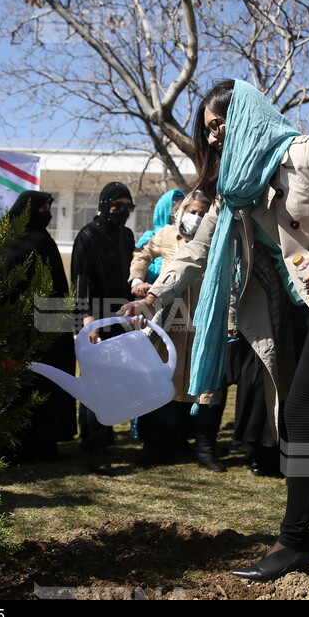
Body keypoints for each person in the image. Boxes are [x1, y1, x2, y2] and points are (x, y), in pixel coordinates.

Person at [122, 79, 309, 581]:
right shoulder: (234, 190)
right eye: (208, 130)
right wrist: (154, 295)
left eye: (221, 125)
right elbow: (195, 252)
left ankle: (292, 540)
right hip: (287, 312)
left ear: (246, 118)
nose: (214, 137)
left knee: (302, 408)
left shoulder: (302, 154)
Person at [129, 190, 225, 471]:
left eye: (202, 213)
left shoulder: (218, 239)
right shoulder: (168, 235)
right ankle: (158, 446)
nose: (196, 217)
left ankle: (205, 449)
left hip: (205, 321)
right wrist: (137, 279)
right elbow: (142, 253)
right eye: (192, 211)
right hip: (168, 321)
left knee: (206, 385)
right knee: (163, 380)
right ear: (181, 211)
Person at [0, 190, 76, 462]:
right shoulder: (6, 240)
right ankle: (13, 444)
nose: (48, 213)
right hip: (15, 326)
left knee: (49, 381)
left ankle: (45, 441)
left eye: (48, 207)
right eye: (43, 208)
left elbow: (55, 287)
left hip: (47, 327)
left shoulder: (45, 241)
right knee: (17, 383)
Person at [71, 181, 136, 473]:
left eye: (127, 207)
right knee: (96, 380)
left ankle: (93, 436)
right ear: (103, 205)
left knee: (112, 381)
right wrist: (86, 321)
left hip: (120, 316)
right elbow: (81, 281)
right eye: (116, 206)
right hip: (95, 318)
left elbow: (128, 275)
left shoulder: (126, 235)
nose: (122, 212)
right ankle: (96, 448)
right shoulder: (87, 235)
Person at [132, 188, 185, 289]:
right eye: (176, 211)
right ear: (165, 211)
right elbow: (140, 260)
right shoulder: (150, 237)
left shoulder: (186, 237)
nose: (181, 215)